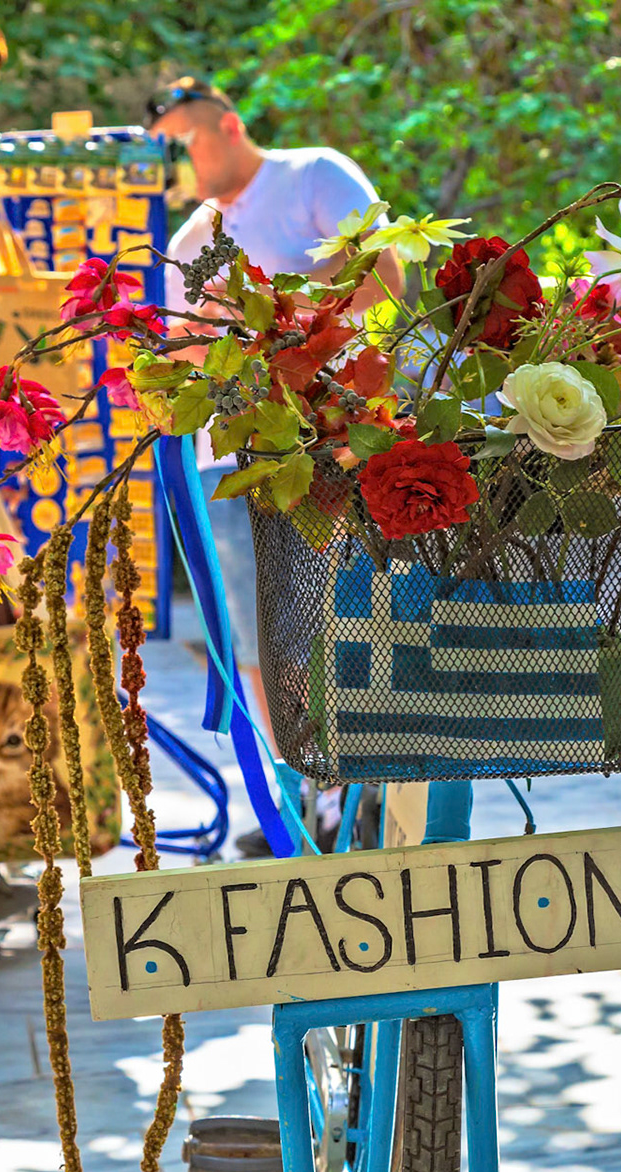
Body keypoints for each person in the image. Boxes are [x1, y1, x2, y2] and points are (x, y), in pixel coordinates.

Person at [151, 76, 397, 853]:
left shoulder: (312, 175)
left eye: (185, 137)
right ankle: (294, 797)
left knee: (351, 618)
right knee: (262, 638)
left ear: (227, 125)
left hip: (334, 440)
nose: (178, 156)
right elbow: (183, 357)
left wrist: (275, 312)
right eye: (165, 145)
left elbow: (386, 274)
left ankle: (363, 788)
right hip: (232, 456)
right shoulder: (189, 240)